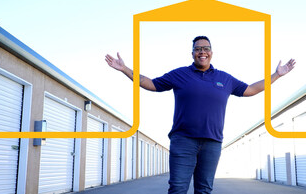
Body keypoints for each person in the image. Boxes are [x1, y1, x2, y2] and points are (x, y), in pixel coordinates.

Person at [105, 36, 295, 194]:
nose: (202, 52)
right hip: (183, 140)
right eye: (198, 49)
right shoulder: (180, 74)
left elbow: (252, 89)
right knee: (178, 189)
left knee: (204, 190)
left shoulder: (224, 78)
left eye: (206, 48)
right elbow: (151, 84)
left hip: (212, 143)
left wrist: (276, 75)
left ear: (212, 52)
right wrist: (125, 69)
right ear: (192, 53)